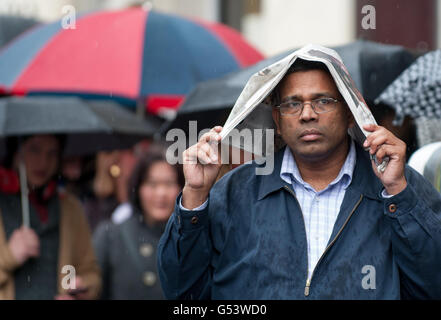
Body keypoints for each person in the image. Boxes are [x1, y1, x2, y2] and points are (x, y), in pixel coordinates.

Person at [157, 57, 441, 299]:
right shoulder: (235, 192)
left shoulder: (399, 185)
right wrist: (194, 196)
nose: (307, 114)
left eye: (323, 101)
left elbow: (433, 286)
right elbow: (182, 293)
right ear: (277, 121)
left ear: (351, 113)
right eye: (292, 104)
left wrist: (397, 194)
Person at [0, 134, 101, 300]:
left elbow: (89, 271)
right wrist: (9, 256)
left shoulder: (70, 207)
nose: (43, 162)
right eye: (34, 149)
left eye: (52, 153)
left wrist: (79, 289)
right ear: (16, 152)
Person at [93, 150, 184, 299]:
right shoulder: (111, 235)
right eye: (152, 184)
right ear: (138, 187)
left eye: (169, 183)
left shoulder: (192, 237)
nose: (161, 193)